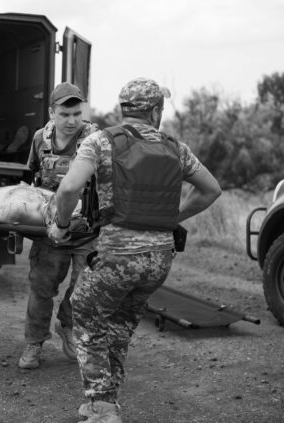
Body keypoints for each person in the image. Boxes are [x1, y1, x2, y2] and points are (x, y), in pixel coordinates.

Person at [48, 77, 222, 422]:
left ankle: (101, 408)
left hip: (117, 256)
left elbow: (69, 189)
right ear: (156, 110)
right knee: (119, 326)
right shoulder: (176, 147)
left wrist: (62, 226)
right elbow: (211, 190)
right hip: (159, 261)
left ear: (123, 108)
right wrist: (173, 217)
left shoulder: (100, 141)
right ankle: (106, 400)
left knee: (84, 312)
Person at [18, 82, 100, 370]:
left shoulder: (96, 138)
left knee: (87, 286)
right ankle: (34, 342)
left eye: (77, 113)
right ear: (52, 113)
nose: (72, 121)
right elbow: (33, 178)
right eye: (65, 114)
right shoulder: (41, 138)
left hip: (86, 229)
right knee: (42, 287)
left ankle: (68, 325)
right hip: (51, 229)